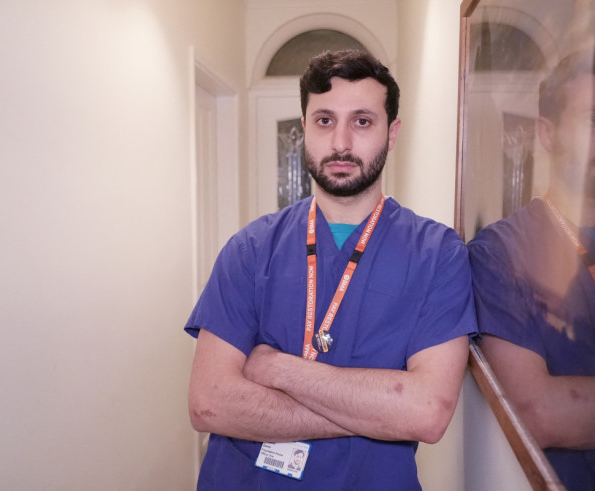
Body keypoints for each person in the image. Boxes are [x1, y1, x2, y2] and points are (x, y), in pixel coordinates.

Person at [186, 49, 476, 490]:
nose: (341, 143)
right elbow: (209, 404)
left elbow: (427, 413)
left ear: (392, 132)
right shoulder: (251, 248)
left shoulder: (438, 254)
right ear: (304, 128)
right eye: (324, 120)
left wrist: (279, 371)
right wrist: (376, 412)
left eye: (362, 121)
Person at [469, 45, 595, 490]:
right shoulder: (499, 252)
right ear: (547, 132)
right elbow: (538, 416)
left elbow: (564, 414)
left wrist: (589, 417)